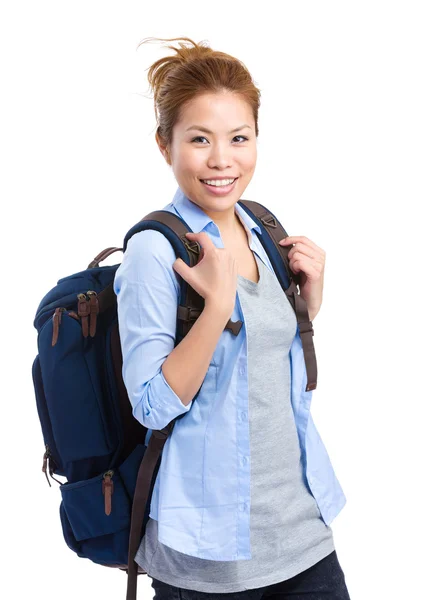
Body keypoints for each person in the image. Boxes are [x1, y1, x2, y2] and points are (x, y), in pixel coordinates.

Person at [114, 36, 351, 599]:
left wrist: (305, 309)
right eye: (199, 139)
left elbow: (265, 373)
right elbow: (150, 404)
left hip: (303, 534)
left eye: (238, 138)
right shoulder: (157, 248)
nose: (222, 160)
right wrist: (217, 308)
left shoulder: (261, 227)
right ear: (164, 144)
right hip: (207, 558)